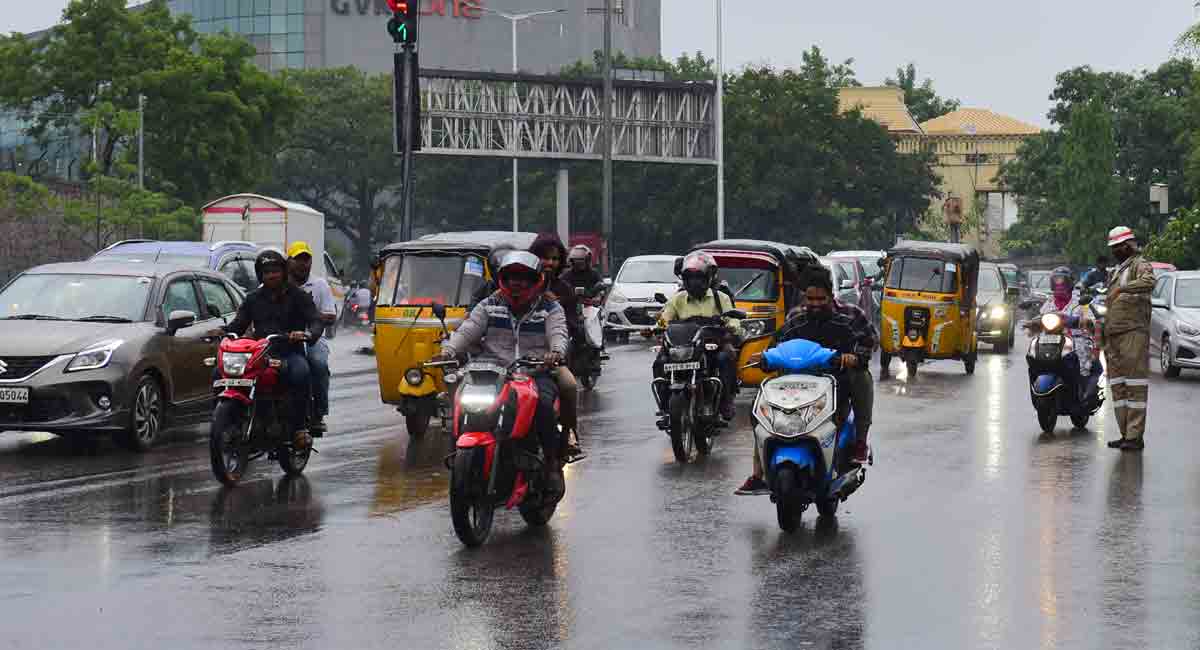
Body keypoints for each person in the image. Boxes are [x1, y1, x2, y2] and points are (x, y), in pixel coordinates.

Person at [436, 251, 570, 496]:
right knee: (457, 397)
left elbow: (558, 333)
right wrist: (448, 351)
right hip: (491, 372)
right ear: (502, 279)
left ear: (536, 280)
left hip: (534, 371)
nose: (517, 283)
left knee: (544, 405)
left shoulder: (550, 308)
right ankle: (457, 450)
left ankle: (552, 462)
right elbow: (466, 331)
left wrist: (555, 353)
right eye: (511, 277)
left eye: (524, 278)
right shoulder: (488, 305)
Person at [736, 265, 876, 495]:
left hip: (836, 381)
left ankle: (859, 441)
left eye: (821, 298)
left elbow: (869, 341)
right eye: (810, 298)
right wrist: (764, 358)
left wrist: (856, 356)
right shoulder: (795, 318)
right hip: (797, 383)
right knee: (759, 410)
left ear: (830, 295)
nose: (815, 304)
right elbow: (777, 346)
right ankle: (758, 472)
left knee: (861, 377)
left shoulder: (852, 315)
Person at [221, 250, 324, 449]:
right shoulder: (253, 298)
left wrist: (308, 334)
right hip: (259, 354)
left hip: (289, 352)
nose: (272, 275)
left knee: (300, 372)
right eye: (266, 271)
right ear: (260, 275)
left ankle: (299, 428)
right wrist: (222, 331)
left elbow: (315, 320)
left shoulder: (298, 296)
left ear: (284, 272)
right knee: (220, 371)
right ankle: (230, 422)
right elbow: (238, 324)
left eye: (276, 270)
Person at [652, 251, 743, 422]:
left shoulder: (720, 298)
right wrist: (656, 327)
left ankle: (725, 401)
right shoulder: (677, 299)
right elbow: (665, 318)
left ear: (708, 278)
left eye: (699, 277)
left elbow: (733, 319)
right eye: (690, 277)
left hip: (712, 345)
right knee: (660, 362)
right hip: (684, 345)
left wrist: (732, 326)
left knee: (726, 358)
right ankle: (665, 406)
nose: (694, 282)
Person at [530, 233, 583, 458]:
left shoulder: (563, 291)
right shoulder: (500, 291)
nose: (549, 263)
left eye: (554, 258)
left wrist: (556, 352)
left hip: (546, 360)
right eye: (543, 257)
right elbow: (474, 322)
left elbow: (571, 328)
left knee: (569, 385)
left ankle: (568, 433)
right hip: (505, 359)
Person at [1103, 226, 1155, 451]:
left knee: (1134, 386)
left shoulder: (1139, 264)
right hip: (1114, 335)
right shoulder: (1117, 269)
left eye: (1117, 247)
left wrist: (1122, 289)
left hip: (1133, 332)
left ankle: (1135, 436)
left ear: (1128, 246)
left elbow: (1149, 281)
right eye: (1113, 248)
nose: (1115, 251)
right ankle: (1126, 434)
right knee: (1118, 386)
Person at [1027, 267, 1100, 405]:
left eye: (1062, 282)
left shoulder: (1080, 302)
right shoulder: (1049, 303)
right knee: (1033, 353)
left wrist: (1083, 321)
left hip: (1075, 340)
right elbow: (1040, 318)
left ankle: (1083, 392)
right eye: (1056, 283)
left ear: (1070, 284)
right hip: (1050, 342)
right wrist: (1032, 323)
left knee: (1084, 363)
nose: (1059, 286)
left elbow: (1091, 320)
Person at [287, 241, 338, 435]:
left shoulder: (320, 285)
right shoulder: (277, 285)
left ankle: (319, 413)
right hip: (284, 337)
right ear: (288, 262)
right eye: (298, 259)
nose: (302, 264)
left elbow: (330, 316)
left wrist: (312, 321)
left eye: (306, 259)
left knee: (317, 363)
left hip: (311, 337)